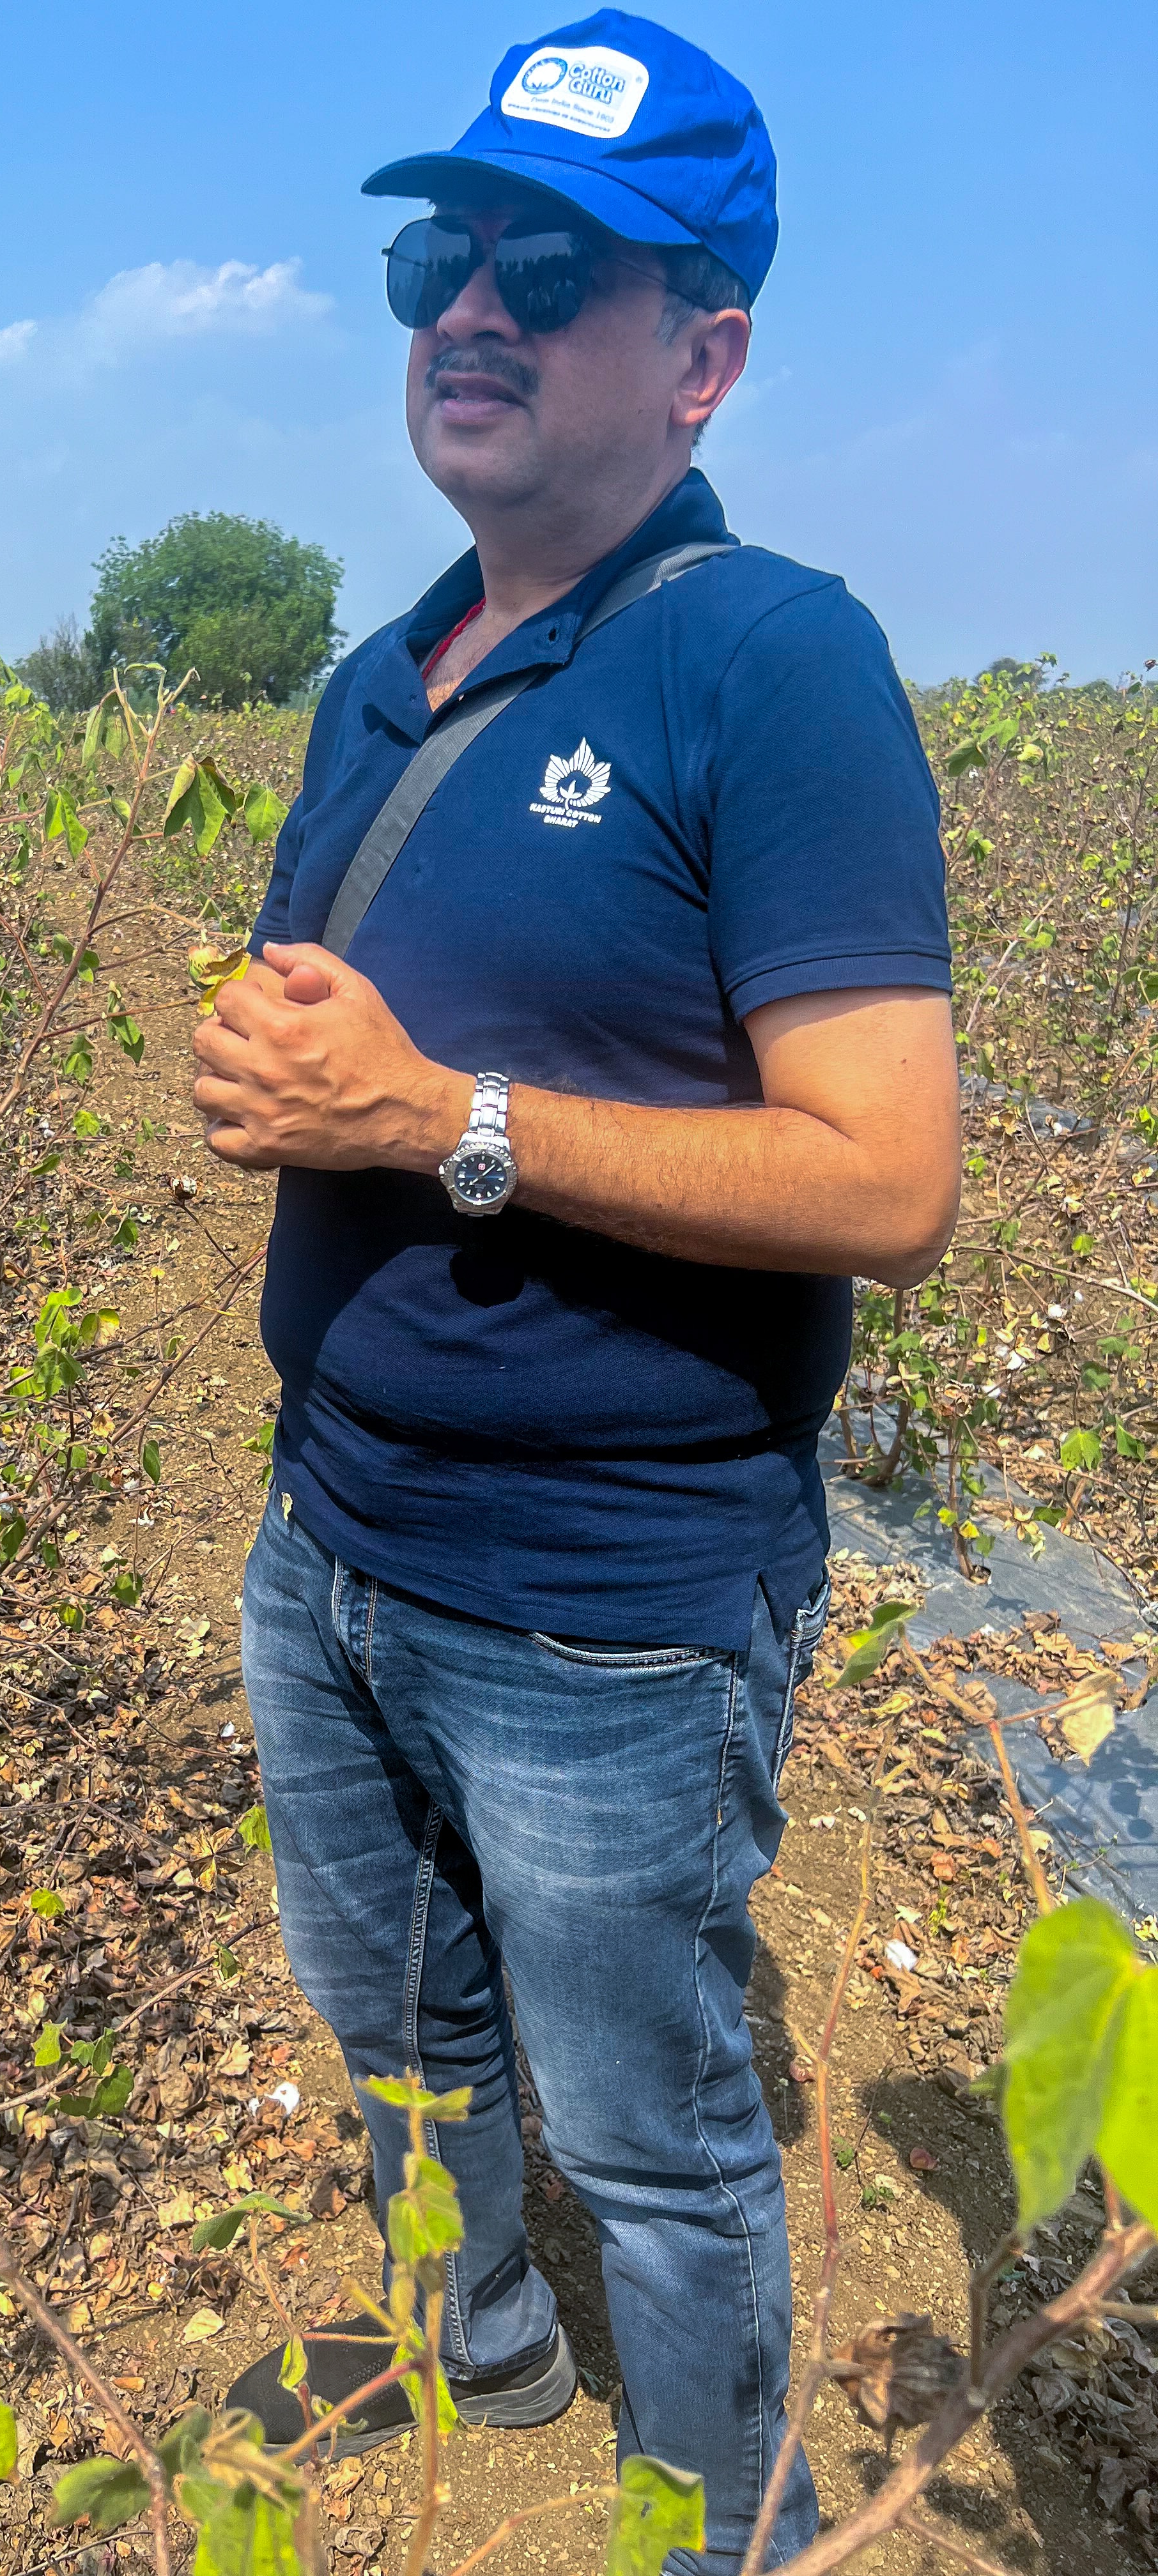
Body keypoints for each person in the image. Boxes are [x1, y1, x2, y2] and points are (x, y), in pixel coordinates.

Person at [193, 14, 957, 2568]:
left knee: (655, 2137)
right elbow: (358, 1035)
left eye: (552, 267)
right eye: (444, 251)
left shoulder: (772, 661)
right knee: (398, 2032)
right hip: (329, 1534)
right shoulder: (376, 671)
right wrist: (286, 1069)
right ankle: (483, 2349)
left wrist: (437, 1119)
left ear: (702, 352)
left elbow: (888, 1179)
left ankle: (726, 2519)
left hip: (606, 1614)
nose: (470, 305)